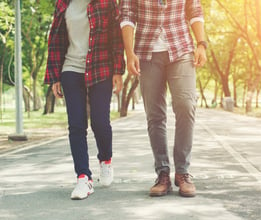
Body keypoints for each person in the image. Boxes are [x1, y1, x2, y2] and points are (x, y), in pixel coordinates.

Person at [120, 0, 207, 197]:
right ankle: (163, 173)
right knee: (155, 114)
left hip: (181, 46)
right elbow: (127, 14)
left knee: (186, 105)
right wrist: (129, 52)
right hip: (146, 49)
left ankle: (183, 172)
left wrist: (201, 43)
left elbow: (194, 8)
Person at [44, 0, 125, 200]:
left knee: (100, 122)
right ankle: (83, 177)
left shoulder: (106, 3)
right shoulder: (63, 4)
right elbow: (55, 39)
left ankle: (105, 160)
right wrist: (54, 76)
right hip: (71, 68)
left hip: (101, 68)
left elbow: (116, 38)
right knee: (76, 124)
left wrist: (118, 71)